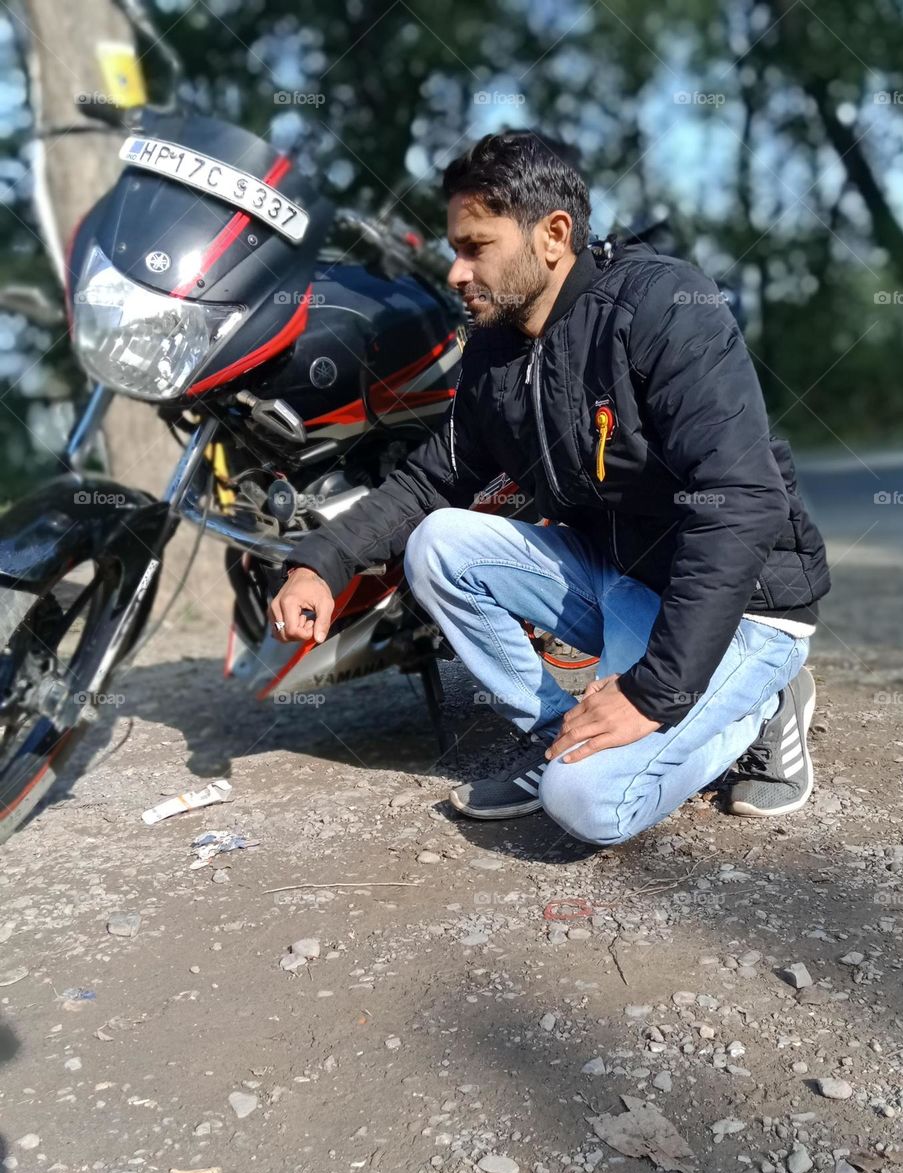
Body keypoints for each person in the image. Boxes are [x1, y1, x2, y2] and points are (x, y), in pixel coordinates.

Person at [268, 130, 830, 847]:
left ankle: (764, 706)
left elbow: (742, 501)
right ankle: (552, 733)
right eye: (455, 247)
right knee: (440, 544)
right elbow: (430, 478)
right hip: (626, 580)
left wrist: (652, 693)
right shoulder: (497, 350)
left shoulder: (661, 307)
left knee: (589, 805)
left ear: (553, 235)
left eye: (475, 247)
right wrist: (324, 558)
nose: (454, 270)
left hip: (750, 606)